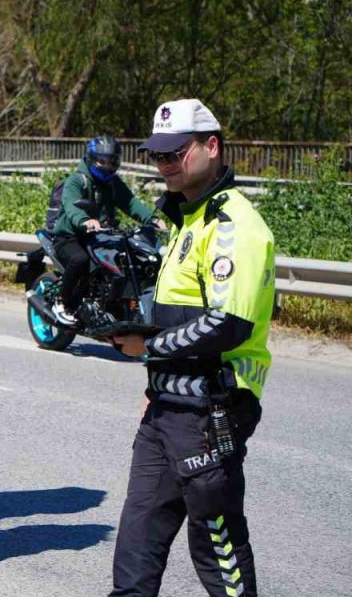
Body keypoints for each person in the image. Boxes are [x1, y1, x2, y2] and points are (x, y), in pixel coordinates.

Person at [109, 99, 275, 597]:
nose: (165, 164)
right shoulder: (187, 219)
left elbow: (229, 324)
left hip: (211, 409)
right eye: (158, 155)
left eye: (175, 153)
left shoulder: (233, 225)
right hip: (168, 406)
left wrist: (149, 347)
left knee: (216, 546)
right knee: (136, 544)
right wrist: (156, 381)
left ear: (211, 146)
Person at [48, 136, 161, 325]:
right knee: (80, 260)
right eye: (102, 161)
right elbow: (70, 205)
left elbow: (130, 203)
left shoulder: (113, 183)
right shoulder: (77, 181)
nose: (107, 166)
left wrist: (152, 219)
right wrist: (85, 220)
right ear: (92, 158)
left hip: (100, 235)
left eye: (112, 161)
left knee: (125, 260)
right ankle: (62, 302)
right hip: (70, 236)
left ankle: (111, 305)